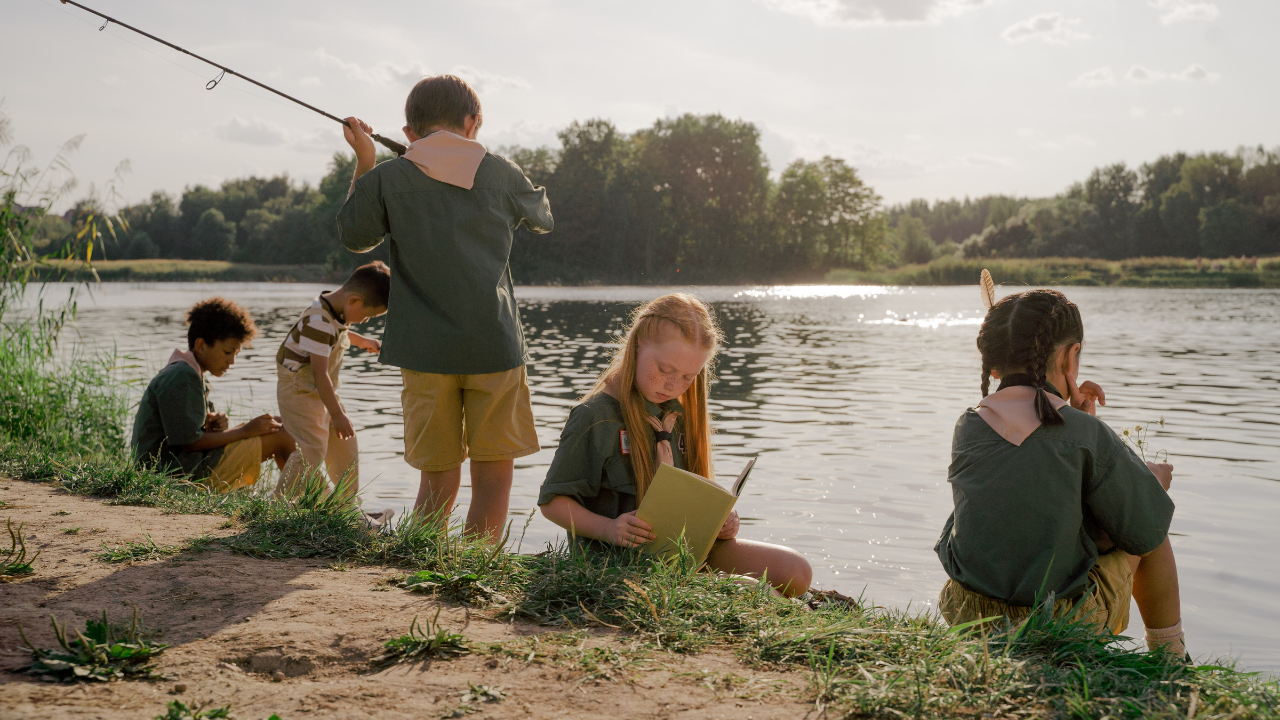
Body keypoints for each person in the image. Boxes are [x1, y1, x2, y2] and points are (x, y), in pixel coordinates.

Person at [337, 74, 553, 541]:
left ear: (410, 132)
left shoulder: (388, 178)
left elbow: (355, 237)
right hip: (493, 346)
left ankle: (424, 555)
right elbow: (542, 218)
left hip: (423, 350)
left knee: (437, 474)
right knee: (493, 472)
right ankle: (476, 565)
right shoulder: (502, 171)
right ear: (473, 122)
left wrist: (368, 160)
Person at [934, 287, 1186, 657]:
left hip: (968, 612)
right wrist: (1154, 482)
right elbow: (1143, 527)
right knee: (1153, 526)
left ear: (992, 365)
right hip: (1054, 623)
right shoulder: (1084, 434)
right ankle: (1171, 658)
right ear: (1071, 355)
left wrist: (1082, 422)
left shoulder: (968, 426)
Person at [536, 293, 813, 597]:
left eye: (687, 376)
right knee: (751, 593)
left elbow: (689, 496)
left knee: (796, 572)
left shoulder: (677, 414)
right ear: (637, 345)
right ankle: (703, 589)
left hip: (682, 554)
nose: (673, 385)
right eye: (665, 370)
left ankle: (701, 583)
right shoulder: (595, 417)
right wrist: (609, 529)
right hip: (618, 561)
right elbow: (553, 503)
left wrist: (718, 521)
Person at [131, 297, 295, 492]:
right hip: (176, 478)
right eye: (227, 352)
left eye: (236, 353)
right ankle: (314, 503)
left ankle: (300, 499)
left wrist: (210, 426)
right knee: (284, 434)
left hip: (185, 468)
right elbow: (189, 443)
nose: (232, 361)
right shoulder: (182, 375)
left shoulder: (190, 372)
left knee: (278, 423)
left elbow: (185, 432)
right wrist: (244, 431)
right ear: (201, 345)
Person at [275, 260, 389, 503]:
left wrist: (362, 341)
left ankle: (344, 508)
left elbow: (340, 333)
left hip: (322, 391)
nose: (365, 320)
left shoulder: (335, 310)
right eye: (367, 315)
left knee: (345, 445)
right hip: (299, 391)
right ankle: (278, 503)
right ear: (354, 300)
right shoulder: (319, 321)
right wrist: (337, 415)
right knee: (311, 450)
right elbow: (319, 373)